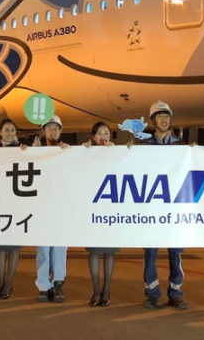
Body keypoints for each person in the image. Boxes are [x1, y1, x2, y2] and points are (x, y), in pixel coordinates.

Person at [140, 100, 188, 310]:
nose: (163, 119)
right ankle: (152, 293)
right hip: (152, 208)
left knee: (175, 254)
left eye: (166, 115)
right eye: (159, 116)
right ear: (152, 121)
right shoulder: (144, 146)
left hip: (175, 209)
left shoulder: (182, 146)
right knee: (150, 253)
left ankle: (175, 292)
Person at [0, 118, 26, 300]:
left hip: (16, 204)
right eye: (7, 130)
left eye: (13, 130)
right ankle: (0, 282)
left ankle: (9, 284)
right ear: (0, 131)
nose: (10, 133)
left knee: (13, 248)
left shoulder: (22, 150)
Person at [35, 114, 69, 302]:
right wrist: (28, 151)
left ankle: (57, 284)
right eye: (49, 128)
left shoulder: (68, 151)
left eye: (56, 128)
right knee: (43, 248)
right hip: (41, 208)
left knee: (59, 248)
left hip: (61, 208)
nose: (53, 131)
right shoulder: (35, 152)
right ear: (43, 132)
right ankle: (43, 285)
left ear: (61, 131)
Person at [84, 122, 118, 307]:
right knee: (94, 252)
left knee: (109, 253)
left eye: (106, 133)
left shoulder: (116, 153)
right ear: (93, 137)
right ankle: (96, 290)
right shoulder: (86, 153)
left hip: (111, 210)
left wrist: (118, 152)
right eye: (99, 133)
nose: (103, 136)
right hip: (92, 210)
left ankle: (107, 290)